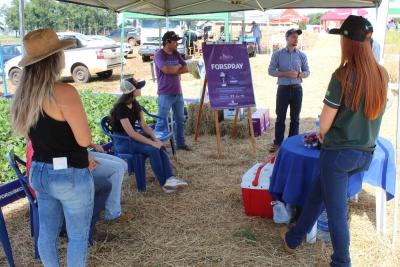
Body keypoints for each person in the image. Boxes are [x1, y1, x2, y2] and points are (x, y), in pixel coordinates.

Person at [280, 15, 388, 267]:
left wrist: (323, 134)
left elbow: (324, 125)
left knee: (337, 213)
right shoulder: (381, 75)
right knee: (318, 195)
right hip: (365, 154)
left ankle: (341, 262)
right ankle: (293, 239)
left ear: (348, 42)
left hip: (338, 155)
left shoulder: (342, 76)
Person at [11, 28, 93, 266]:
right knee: (77, 236)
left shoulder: (23, 96)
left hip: (39, 171)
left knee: (46, 234)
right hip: (71, 174)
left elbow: (29, 137)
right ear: (55, 58)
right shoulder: (64, 92)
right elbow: (84, 140)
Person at [109, 78, 188, 193]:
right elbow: (131, 133)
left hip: (132, 138)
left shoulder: (135, 104)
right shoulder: (120, 109)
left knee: (160, 146)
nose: (141, 89)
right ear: (131, 91)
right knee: (153, 150)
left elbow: (144, 125)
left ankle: (170, 179)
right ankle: (165, 184)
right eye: (139, 87)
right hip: (123, 141)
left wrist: (156, 140)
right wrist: (152, 143)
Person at [268, 28, 310, 153]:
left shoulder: (302, 55)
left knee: (295, 118)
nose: (296, 39)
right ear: (286, 38)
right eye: (293, 37)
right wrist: (286, 74)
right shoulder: (277, 54)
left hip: (297, 89)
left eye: (297, 37)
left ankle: (292, 144)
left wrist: (298, 75)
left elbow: (307, 72)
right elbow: (270, 71)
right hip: (283, 90)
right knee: (280, 117)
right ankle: (278, 143)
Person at [154, 31, 191, 151]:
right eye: (175, 41)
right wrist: (177, 69)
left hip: (178, 92)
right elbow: (166, 70)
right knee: (161, 122)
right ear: (167, 42)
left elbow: (186, 68)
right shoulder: (159, 55)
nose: (177, 43)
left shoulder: (176, 53)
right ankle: (156, 147)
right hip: (165, 93)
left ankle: (180, 143)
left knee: (180, 120)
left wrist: (175, 69)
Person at [89, 144, 133, 222]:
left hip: (81, 152)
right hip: (71, 157)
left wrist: (92, 144)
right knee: (117, 169)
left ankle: (107, 201)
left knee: (123, 165)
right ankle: (113, 214)